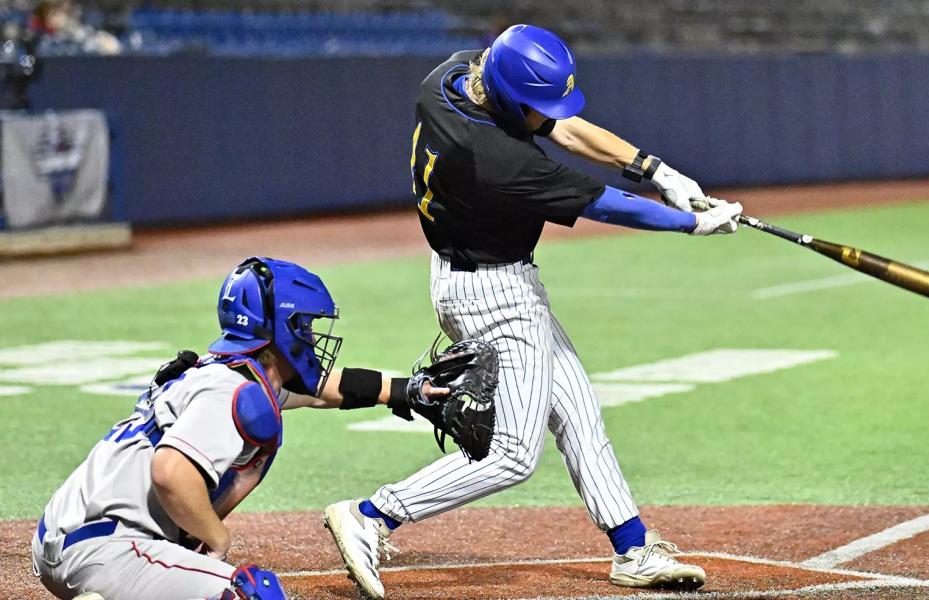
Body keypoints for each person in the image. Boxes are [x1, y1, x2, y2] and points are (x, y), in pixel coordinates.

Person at [323, 24, 742, 599]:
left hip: (478, 274)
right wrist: (692, 222)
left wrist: (657, 172)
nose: (547, 116)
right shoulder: (495, 159)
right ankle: (372, 515)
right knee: (513, 457)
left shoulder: (450, 77)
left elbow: (562, 126)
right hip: (494, 295)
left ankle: (633, 550)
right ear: (506, 94)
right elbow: (605, 204)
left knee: (578, 412)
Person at [31, 256, 448, 600]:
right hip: (110, 550)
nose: (310, 337)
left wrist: (406, 391)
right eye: (304, 325)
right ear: (282, 329)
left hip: (70, 538)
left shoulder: (228, 373)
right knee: (252, 592)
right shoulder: (233, 394)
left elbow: (324, 391)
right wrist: (217, 537)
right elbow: (170, 471)